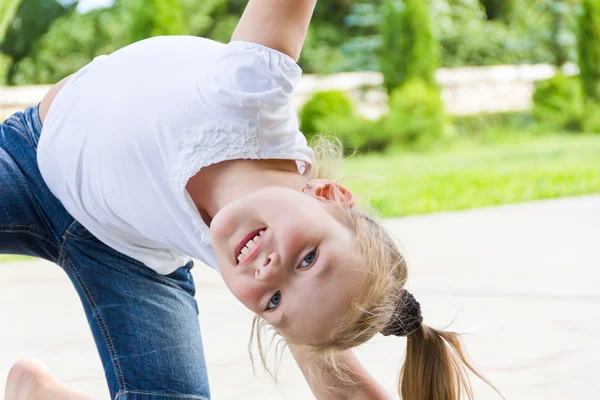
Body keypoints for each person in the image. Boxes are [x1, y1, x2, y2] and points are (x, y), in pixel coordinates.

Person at [1, 1, 499, 399]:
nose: (268, 274)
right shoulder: (252, 91)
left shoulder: (257, 250)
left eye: (275, 303)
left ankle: (38, 393)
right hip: (31, 161)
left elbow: (340, 390)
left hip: (131, 259)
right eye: (308, 259)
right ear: (330, 195)